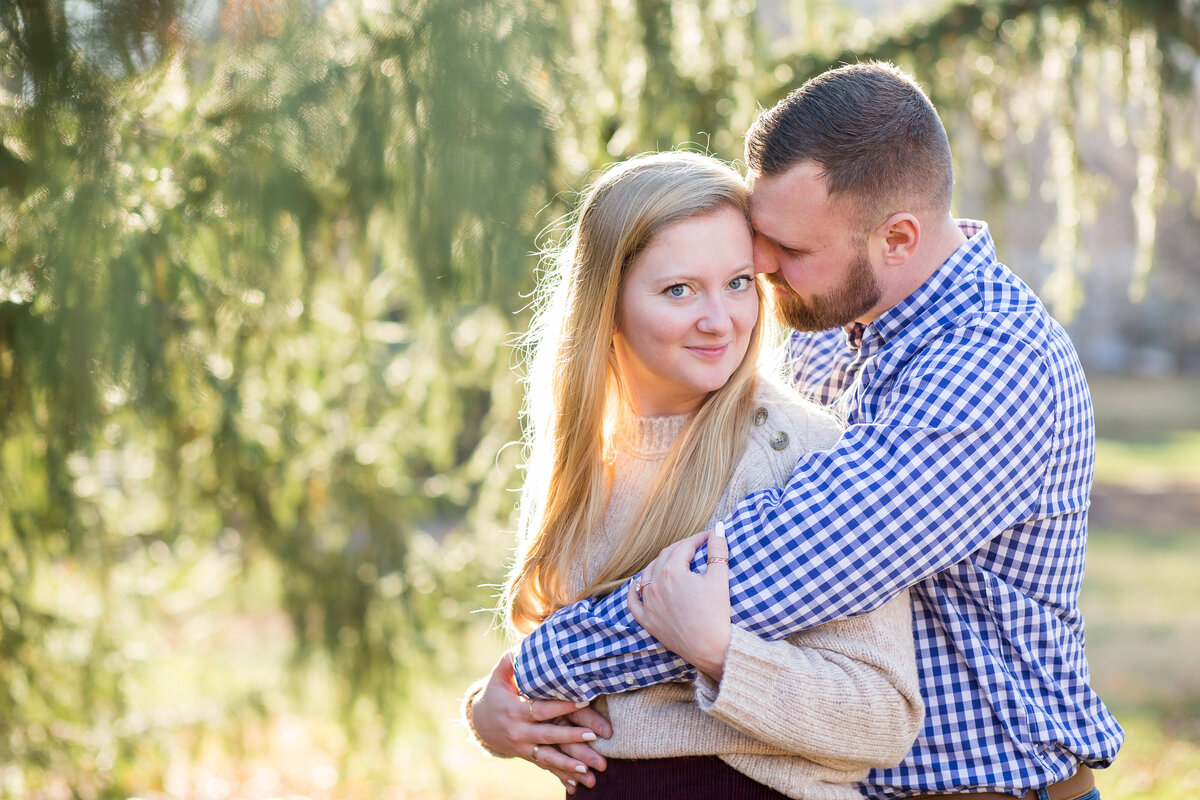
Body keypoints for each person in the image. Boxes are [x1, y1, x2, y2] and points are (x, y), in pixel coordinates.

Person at [511, 62, 1124, 800]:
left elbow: (769, 574)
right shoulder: (829, 329)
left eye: (791, 250)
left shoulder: (995, 367)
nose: (762, 268)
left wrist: (525, 682)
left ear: (897, 238)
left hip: (989, 788)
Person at [462, 151, 924, 797]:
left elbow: (881, 718)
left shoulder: (804, 454)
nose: (720, 319)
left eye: (738, 282)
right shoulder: (587, 452)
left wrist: (721, 653)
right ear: (608, 302)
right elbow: (567, 660)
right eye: (680, 289)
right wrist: (496, 711)